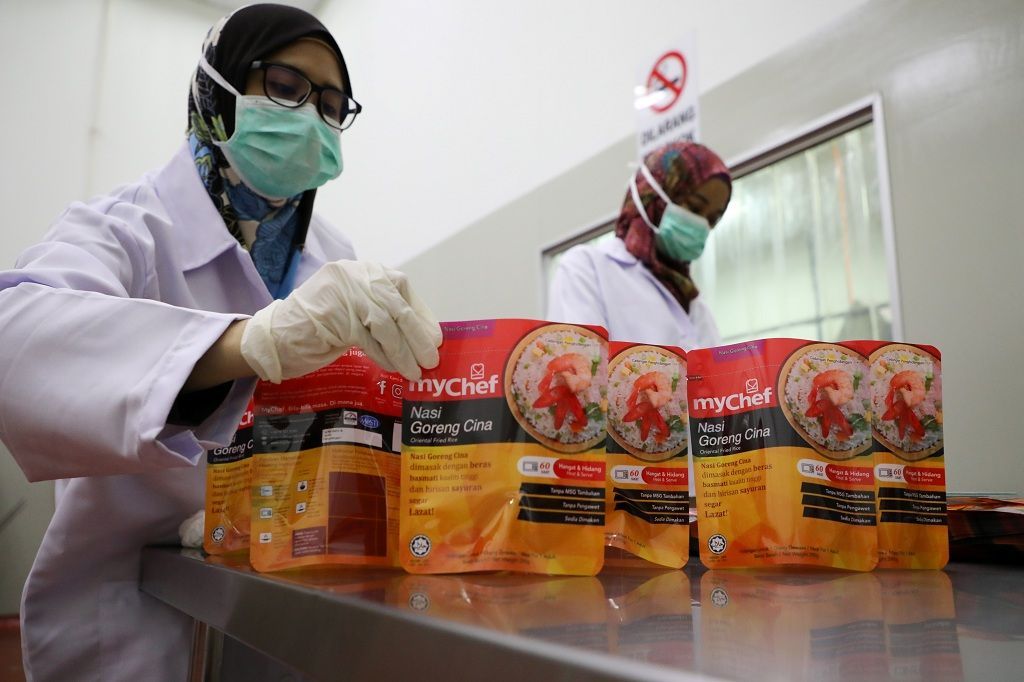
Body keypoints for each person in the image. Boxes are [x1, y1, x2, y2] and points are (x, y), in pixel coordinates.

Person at [0, 5, 441, 681]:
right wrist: (247, 345)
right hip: (134, 621)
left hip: (287, 610)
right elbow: (16, 343)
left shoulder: (335, 261)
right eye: (288, 87)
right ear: (218, 92)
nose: (313, 119)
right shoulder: (127, 228)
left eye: (331, 104)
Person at [547, 141, 732, 350]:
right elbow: (579, 370)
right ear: (653, 195)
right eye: (695, 207)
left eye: (712, 219)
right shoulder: (586, 269)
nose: (702, 225)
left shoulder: (695, 305)